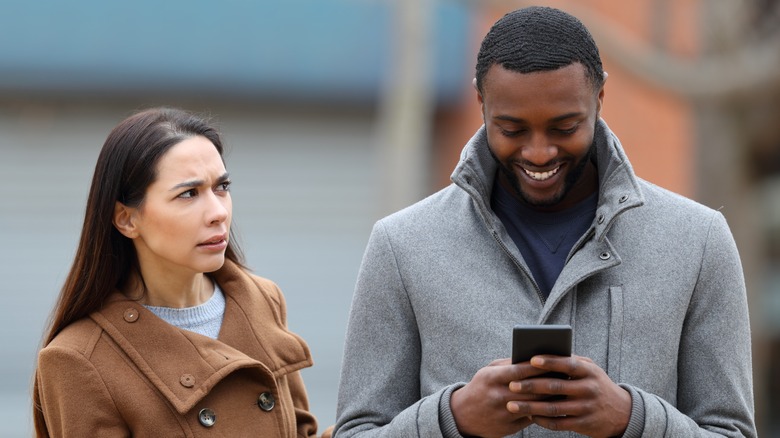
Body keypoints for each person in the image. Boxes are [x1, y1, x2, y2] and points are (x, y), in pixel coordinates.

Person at [334, 6, 755, 438]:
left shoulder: (698, 241)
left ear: (599, 97)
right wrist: (452, 418)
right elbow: (356, 432)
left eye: (564, 127)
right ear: (481, 102)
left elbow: (732, 432)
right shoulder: (402, 245)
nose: (538, 153)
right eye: (512, 129)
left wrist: (633, 419)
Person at [33, 107, 328, 437]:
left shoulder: (261, 300)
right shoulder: (78, 358)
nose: (218, 212)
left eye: (222, 187)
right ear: (126, 219)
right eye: (188, 193)